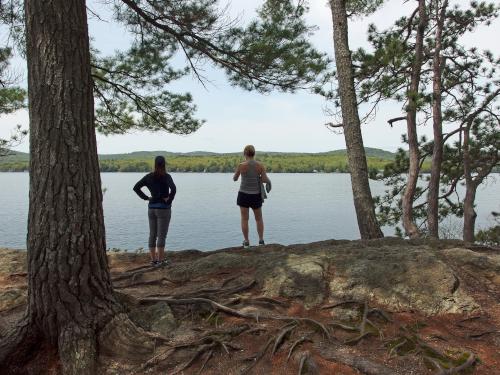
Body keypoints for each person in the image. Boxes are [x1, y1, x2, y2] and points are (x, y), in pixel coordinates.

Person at [133, 156, 176, 266]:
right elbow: (174, 189)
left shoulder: (149, 177)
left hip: (151, 209)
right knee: (161, 236)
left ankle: (153, 260)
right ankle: (161, 261)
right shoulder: (166, 176)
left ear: (155, 164)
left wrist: (147, 198)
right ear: (164, 164)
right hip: (163, 210)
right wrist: (168, 200)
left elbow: (136, 187)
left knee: (152, 234)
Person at [233, 145, 270, 248]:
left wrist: (238, 174)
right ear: (254, 153)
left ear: (245, 153)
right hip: (256, 195)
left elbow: (235, 179)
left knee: (244, 219)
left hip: (243, 195)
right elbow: (264, 180)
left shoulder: (241, 165)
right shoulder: (260, 165)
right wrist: (268, 181)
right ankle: (261, 241)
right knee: (259, 219)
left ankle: (246, 242)